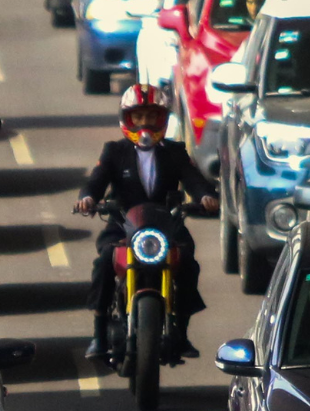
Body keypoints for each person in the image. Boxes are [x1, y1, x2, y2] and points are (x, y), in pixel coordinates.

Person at [74, 84, 218, 360]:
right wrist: (87, 199)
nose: (145, 124)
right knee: (104, 260)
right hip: (122, 223)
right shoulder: (113, 151)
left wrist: (207, 197)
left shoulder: (175, 151)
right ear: (126, 119)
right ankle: (99, 333)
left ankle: (181, 332)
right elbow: (95, 180)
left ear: (163, 120)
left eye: (152, 117)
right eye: (137, 117)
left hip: (167, 224)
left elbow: (194, 180)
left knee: (187, 260)